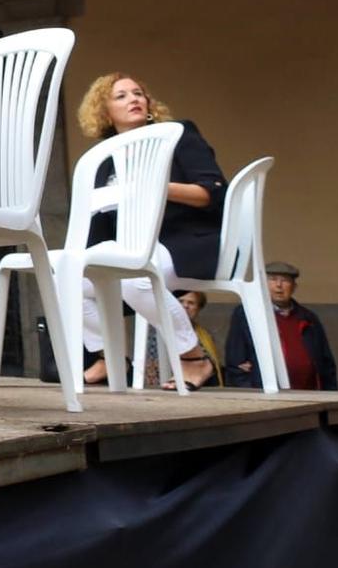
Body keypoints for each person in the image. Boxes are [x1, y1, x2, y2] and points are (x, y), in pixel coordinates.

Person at [72, 72, 226, 391]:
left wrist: (158, 187)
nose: (134, 99)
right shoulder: (104, 161)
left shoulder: (178, 135)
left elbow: (212, 192)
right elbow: (97, 230)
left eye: (138, 93)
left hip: (187, 242)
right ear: (104, 112)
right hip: (135, 249)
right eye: (122, 96)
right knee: (71, 276)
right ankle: (107, 356)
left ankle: (194, 359)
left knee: (135, 273)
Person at [225, 261, 336, 390]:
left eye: (285, 281)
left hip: (309, 393)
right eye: (272, 279)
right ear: (263, 285)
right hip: (266, 395)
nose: (278, 285)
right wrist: (251, 390)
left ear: (294, 287)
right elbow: (236, 363)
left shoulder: (309, 318)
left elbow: (326, 363)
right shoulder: (248, 313)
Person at [176, 290, 224, 387]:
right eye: (180, 301)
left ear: (198, 309)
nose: (185, 306)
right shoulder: (157, 333)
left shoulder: (205, 336)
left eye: (191, 303)